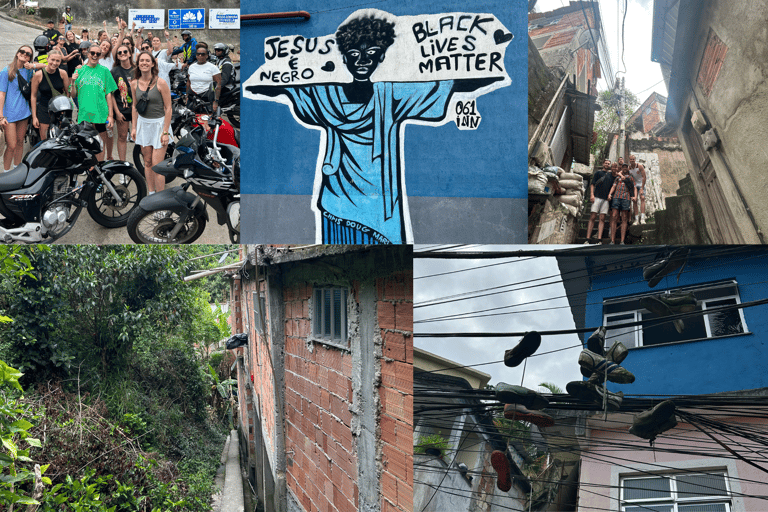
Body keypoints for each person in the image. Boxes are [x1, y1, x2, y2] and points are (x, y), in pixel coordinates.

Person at [247, 14, 504, 243]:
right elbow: (278, 87)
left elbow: (451, 84)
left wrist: (487, 66)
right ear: (344, 57)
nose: (362, 61)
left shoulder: (390, 95)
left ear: (380, 56)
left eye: (370, 54)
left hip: (380, 203)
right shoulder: (325, 94)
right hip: (336, 199)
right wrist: (263, 77)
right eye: (355, 55)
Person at [131, 51, 172, 195]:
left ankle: (160, 200)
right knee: (147, 162)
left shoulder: (160, 82)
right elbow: (134, 107)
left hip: (159, 126)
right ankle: (151, 193)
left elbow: (168, 108)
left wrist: (165, 131)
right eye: (141, 60)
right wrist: (134, 127)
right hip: (143, 125)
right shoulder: (134, 83)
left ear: (153, 63)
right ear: (138, 63)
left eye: (147, 60)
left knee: (157, 166)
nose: (144, 63)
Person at [70, 41, 117, 162]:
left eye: (98, 53)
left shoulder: (105, 71)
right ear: (88, 54)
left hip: (100, 114)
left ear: (101, 55)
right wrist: (72, 83)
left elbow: (109, 94)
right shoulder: (79, 71)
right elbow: (73, 94)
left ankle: (99, 171)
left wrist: (111, 116)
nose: (95, 55)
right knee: (87, 146)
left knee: (100, 145)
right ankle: (90, 170)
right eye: (92, 53)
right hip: (85, 114)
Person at [0, 46, 34, 171]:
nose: (25, 54)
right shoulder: (7, 71)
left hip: (24, 113)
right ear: (17, 53)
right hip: (9, 114)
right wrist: (1, 116)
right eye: (22, 52)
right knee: (11, 145)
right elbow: (1, 94)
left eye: (28, 54)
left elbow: (44, 66)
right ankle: (6, 173)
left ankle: (17, 169)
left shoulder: (28, 71)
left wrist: (32, 66)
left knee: (20, 143)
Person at [30, 48, 69, 140]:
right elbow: (33, 96)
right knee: (44, 138)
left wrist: (66, 112)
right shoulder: (38, 75)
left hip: (59, 109)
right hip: (44, 108)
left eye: (57, 61)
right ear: (47, 59)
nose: (54, 63)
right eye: (52, 60)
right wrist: (34, 116)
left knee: (60, 137)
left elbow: (67, 93)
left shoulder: (63, 73)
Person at [584, 159, 616, 243]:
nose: (607, 164)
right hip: (597, 197)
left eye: (609, 163)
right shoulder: (598, 173)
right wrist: (591, 194)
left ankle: (599, 239)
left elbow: (614, 185)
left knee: (602, 218)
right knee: (592, 217)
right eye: (606, 163)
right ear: (603, 164)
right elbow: (592, 184)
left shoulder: (611, 175)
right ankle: (587, 238)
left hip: (606, 200)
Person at [111, 44, 134, 161]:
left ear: (130, 53)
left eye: (125, 51)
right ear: (117, 56)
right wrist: (117, 112)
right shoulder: (114, 71)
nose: (122, 54)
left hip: (137, 109)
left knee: (140, 138)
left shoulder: (137, 69)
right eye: (119, 53)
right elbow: (111, 94)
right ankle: (123, 166)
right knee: (123, 136)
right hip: (122, 109)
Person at [608, 163, 636, 245]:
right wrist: (610, 194)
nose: (624, 168)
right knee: (614, 217)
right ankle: (612, 240)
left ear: (628, 169)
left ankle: (622, 241)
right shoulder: (617, 178)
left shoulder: (631, 178)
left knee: (624, 218)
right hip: (616, 197)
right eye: (623, 167)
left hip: (626, 198)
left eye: (626, 167)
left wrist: (634, 196)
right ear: (621, 168)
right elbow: (614, 186)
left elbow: (633, 187)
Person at [186, 43, 220, 109]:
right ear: (196, 56)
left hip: (206, 98)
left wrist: (215, 101)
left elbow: (218, 85)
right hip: (192, 97)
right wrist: (187, 96)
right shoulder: (191, 67)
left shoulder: (213, 68)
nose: (200, 56)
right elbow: (188, 82)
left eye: (203, 54)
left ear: (207, 56)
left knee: (206, 118)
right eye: (198, 54)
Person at [628, 154, 647, 224]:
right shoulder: (629, 168)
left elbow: (644, 177)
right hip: (634, 186)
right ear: (629, 160)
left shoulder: (639, 166)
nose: (632, 160)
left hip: (641, 184)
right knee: (634, 200)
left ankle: (642, 218)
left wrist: (642, 188)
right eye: (631, 159)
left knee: (642, 198)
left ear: (635, 160)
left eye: (633, 159)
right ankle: (636, 219)